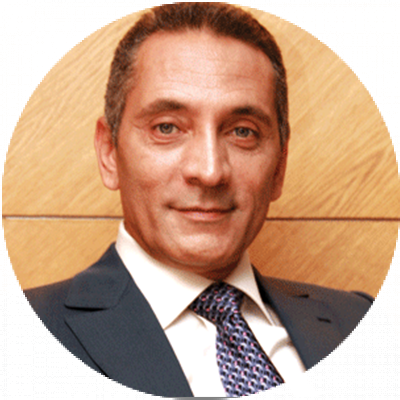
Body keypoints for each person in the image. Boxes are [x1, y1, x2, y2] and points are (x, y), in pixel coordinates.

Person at [0, 3, 399, 397]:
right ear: (109, 153)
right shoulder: (13, 339)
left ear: (280, 165)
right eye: (167, 128)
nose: (209, 171)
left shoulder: (361, 327)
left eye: (243, 132)